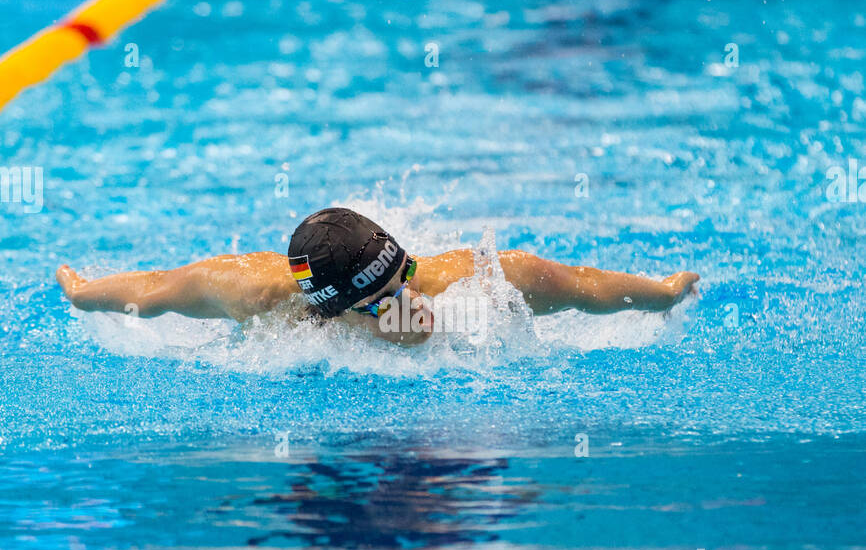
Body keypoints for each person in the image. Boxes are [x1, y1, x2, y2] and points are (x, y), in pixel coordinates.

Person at [56, 206, 699, 348]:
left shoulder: (471, 284)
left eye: (407, 279)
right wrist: (85, 293)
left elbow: (580, 285)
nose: (410, 307)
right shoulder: (254, 296)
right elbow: (153, 291)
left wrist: (662, 291)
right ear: (331, 310)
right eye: (381, 304)